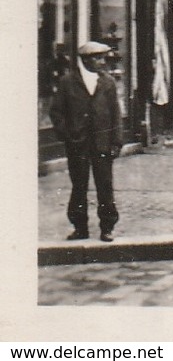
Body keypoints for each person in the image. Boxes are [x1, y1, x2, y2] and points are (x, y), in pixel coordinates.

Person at [49, 41, 122, 241]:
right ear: (86, 60)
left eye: (103, 58)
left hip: (102, 141)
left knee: (105, 185)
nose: (102, 62)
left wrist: (116, 141)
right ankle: (80, 227)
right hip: (78, 143)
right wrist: (67, 135)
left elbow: (115, 113)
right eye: (98, 58)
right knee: (79, 185)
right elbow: (56, 112)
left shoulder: (107, 83)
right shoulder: (68, 82)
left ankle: (107, 227)